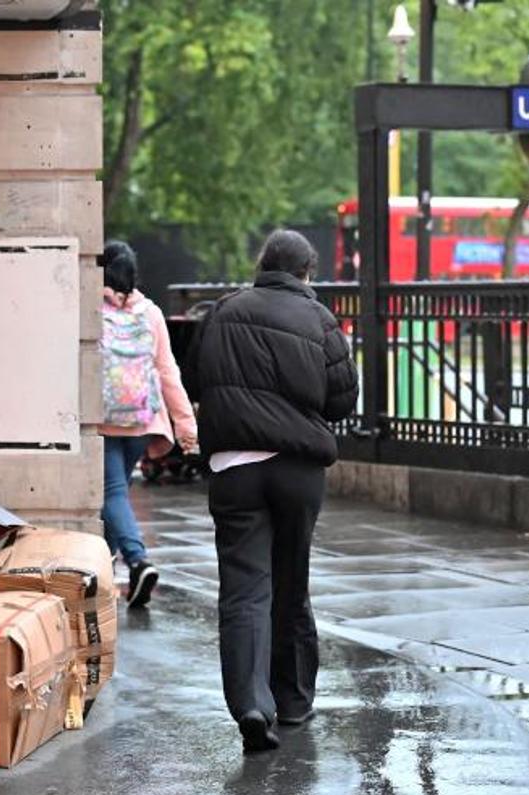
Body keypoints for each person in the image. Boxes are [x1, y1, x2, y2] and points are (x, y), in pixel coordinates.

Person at [187, 230, 358, 753]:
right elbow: (341, 401)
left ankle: (251, 706)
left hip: (234, 466)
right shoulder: (320, 320)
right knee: (291, 579)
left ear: (262, 265)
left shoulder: (222, 312)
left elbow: (196, 378)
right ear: (307, 272)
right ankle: (295, 699)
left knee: (244, 589)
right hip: (297, 470)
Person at [98, 240, 198, 609]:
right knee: (116, 493)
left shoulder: (87, 309)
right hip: (144, 420)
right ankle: (103, 571)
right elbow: (168, 372)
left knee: (111, 494)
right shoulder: (150, 313)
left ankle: (138, 561)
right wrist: (186, 426)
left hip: (104, 419)